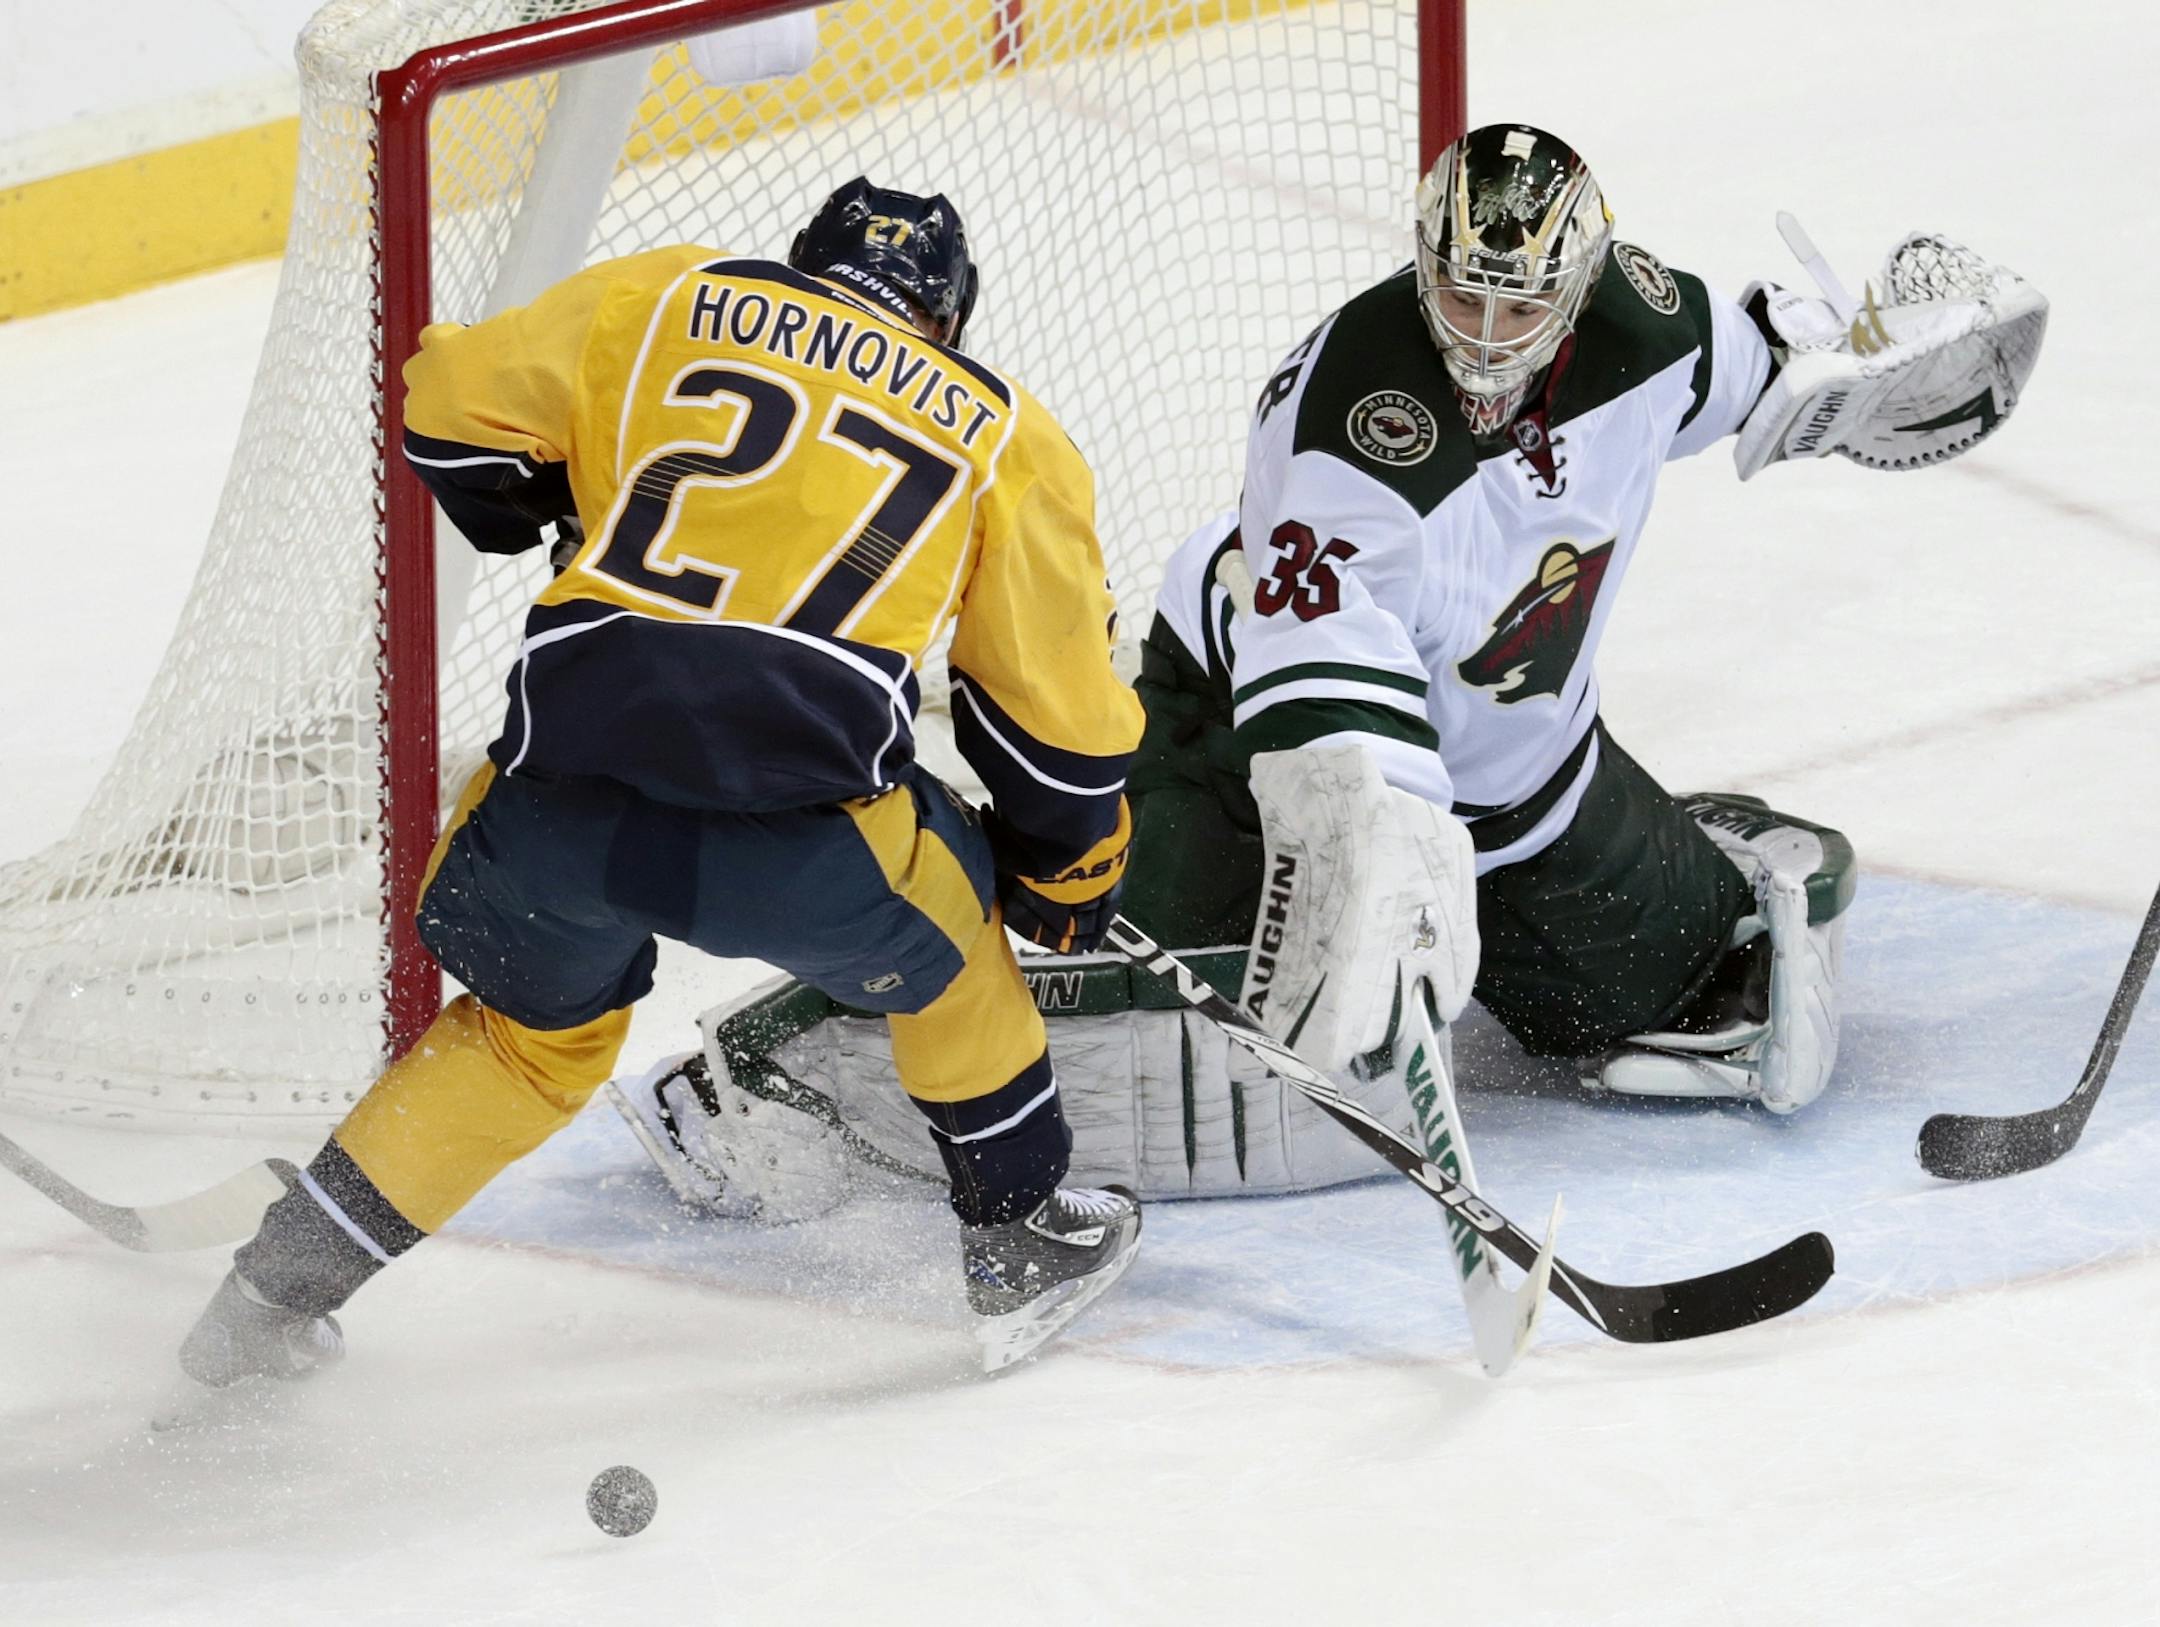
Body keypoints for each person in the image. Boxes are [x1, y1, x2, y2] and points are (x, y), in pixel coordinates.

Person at [614, 125, 2046, 1215]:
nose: (1484, 337)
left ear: (1581, 284)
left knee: (1712, 995)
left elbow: (1774, 369)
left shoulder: (1647, 326)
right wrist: (1383, 852)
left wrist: (1874, 373)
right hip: (1243, 749)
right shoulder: (1348, 420)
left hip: (1528, 795)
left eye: (1519, 307)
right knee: (1074, 932)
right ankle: (768, 1058)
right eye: (1461, 296)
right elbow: (1324, 695)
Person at [177, 178, 1148, 1385]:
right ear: (947, 321)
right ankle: (1019, 1236)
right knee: (958, 949)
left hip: (556, 809)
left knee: (524, 1046)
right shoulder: (1005, 431)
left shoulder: (669, 293)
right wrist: (1069, 865)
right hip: (797, 843)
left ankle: (265, 1298)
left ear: (800, 264)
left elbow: (447, 408)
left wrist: (546, 495)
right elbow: (1053, 722)